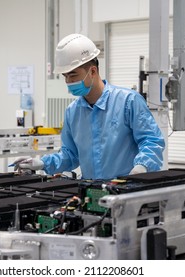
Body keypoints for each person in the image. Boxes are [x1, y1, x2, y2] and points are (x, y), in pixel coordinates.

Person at [14, 33, 165, 180]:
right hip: (91, 193)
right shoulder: (72, 112)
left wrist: (142, 167)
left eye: (73, 75)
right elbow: (70, 155)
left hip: (128, 191)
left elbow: (152, 141)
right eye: (65, 76)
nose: (68, 82)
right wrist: (41, 163)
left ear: (92, 71)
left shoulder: (128, 102)